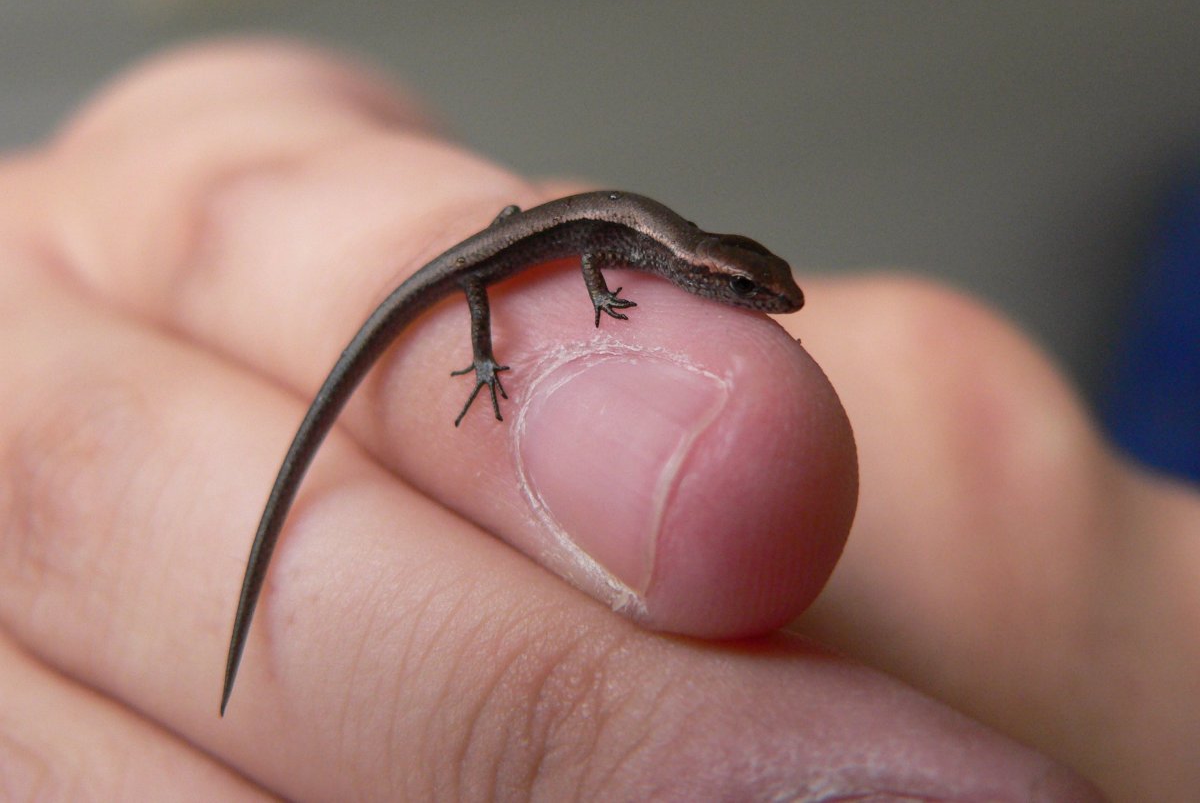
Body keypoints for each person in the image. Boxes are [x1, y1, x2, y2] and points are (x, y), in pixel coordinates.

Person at [1, 40, 1191, 800]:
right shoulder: (624, 251)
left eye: (751, 290)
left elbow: (595, 250)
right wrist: (502, 345)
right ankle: (473, 363)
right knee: (483, 320)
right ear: (708, 276)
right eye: (745, 292)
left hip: (540, 232)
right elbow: (576, 252)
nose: (762, 303)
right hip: (479, 262)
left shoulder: (642, 251)